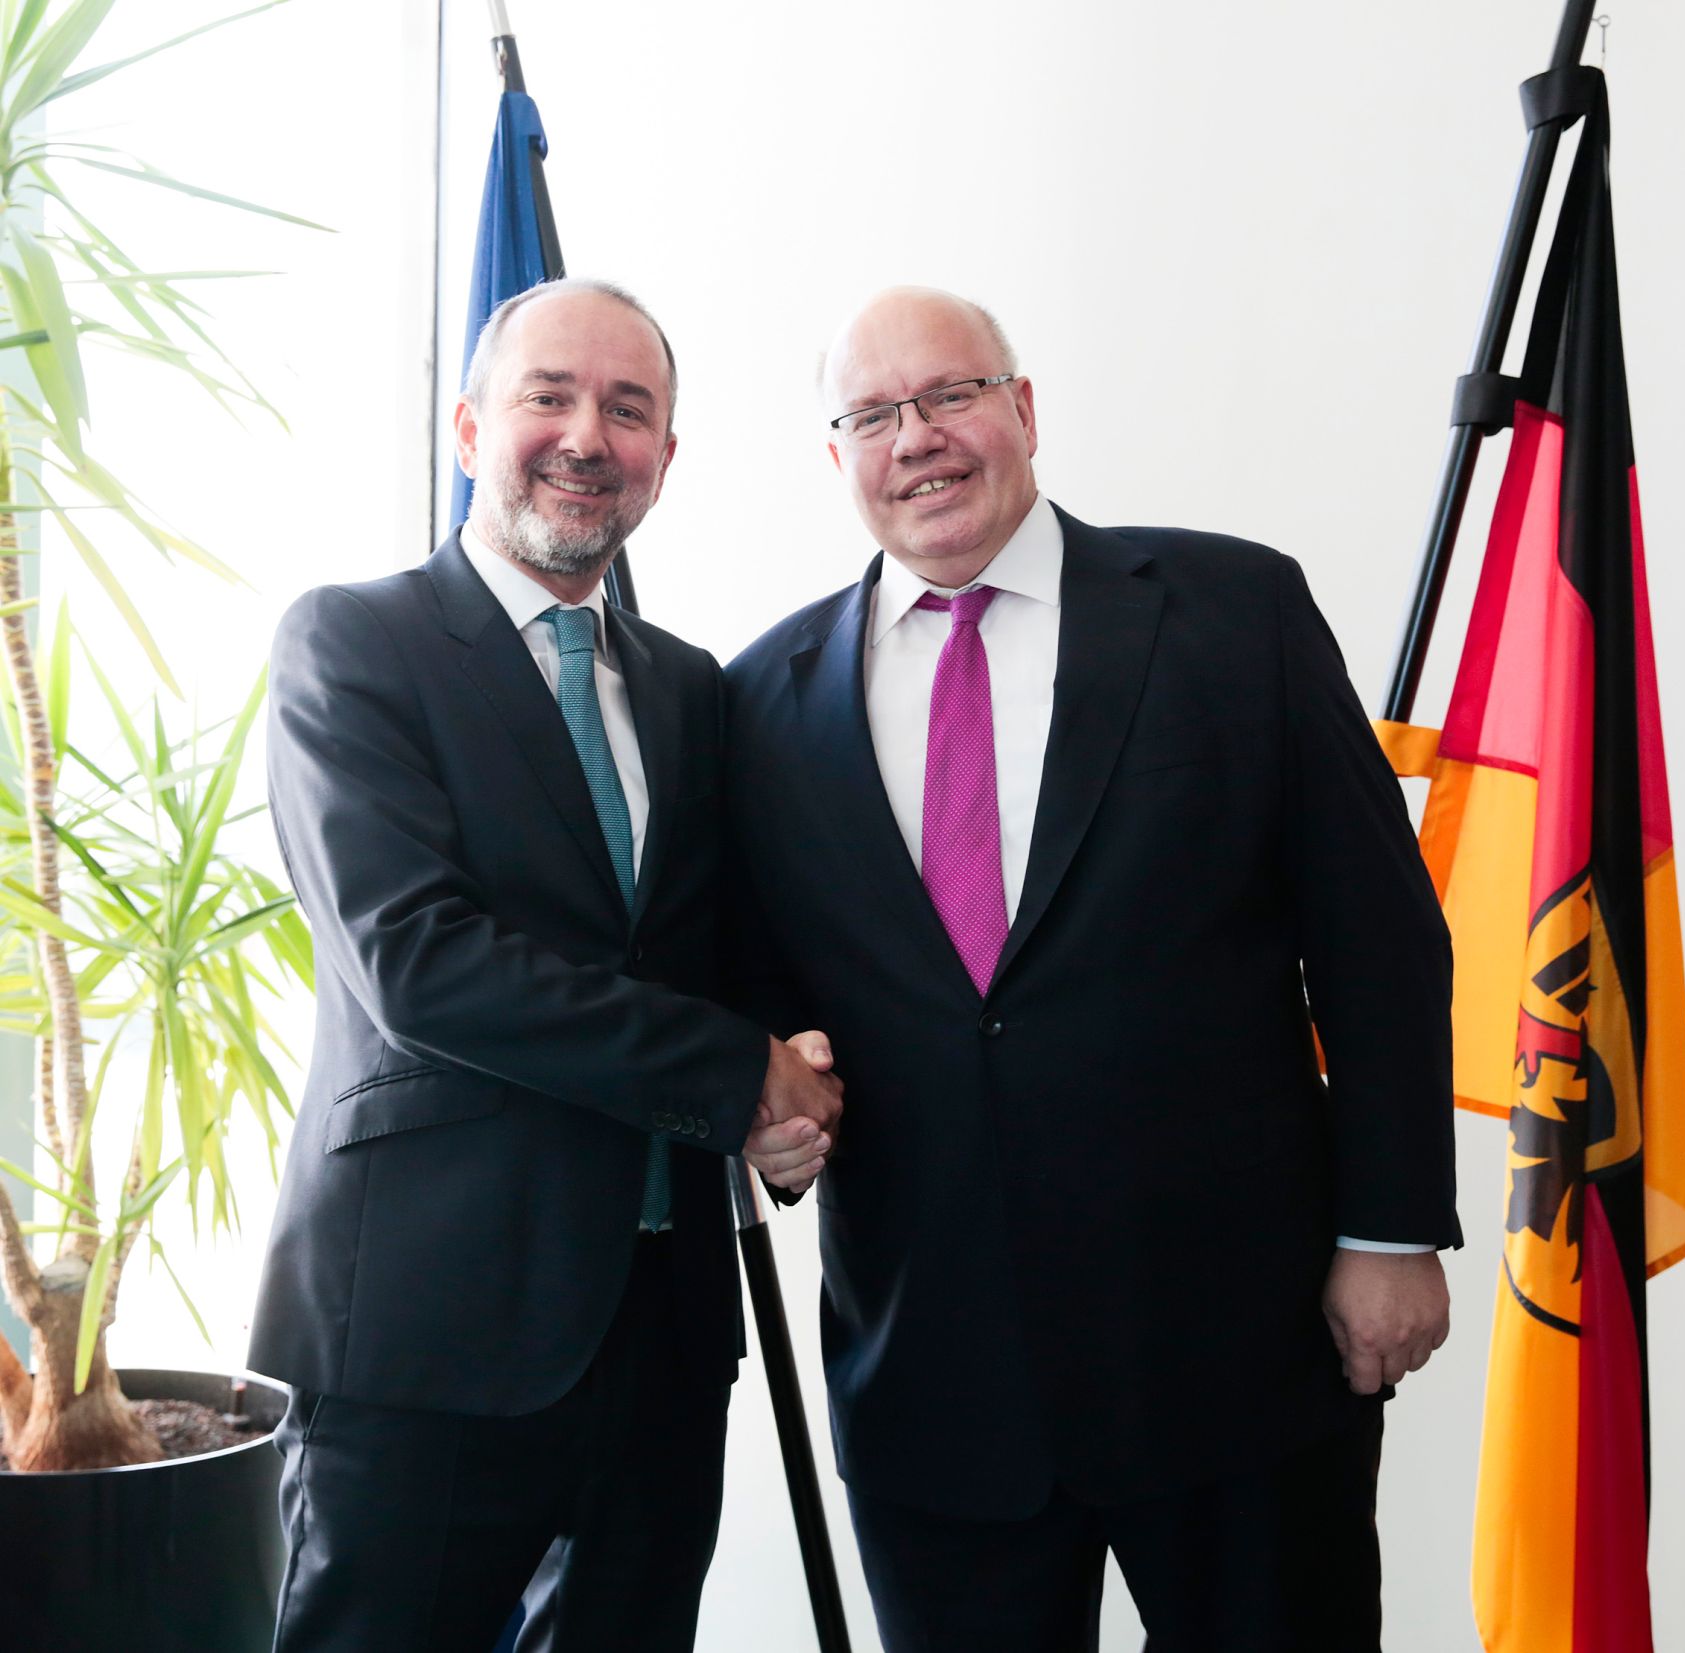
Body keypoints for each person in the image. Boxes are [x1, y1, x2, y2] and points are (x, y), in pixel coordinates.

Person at [726, 287, 1460, 1651]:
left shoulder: (1235, 609)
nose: (917, 437)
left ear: (1023, 408)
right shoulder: (761, 698)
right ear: (837, 456)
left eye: (950, 394)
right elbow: (768, 988)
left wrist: (1392, 1227)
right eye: (874, 415)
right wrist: (772, 1111)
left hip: (1238, 1355)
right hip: (933, 1382)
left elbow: (1380, 935)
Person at [249, 278, 841, 1653]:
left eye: (628, 410)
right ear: (471, 428)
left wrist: (791, 1089)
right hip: (424, 1329)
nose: (587, 435)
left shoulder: (693, 687)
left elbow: (721, 951)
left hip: (664, 1337)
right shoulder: (353, 642)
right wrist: (733, 1071)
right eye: (549, 396)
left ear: (665, 459)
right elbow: (419, 962)